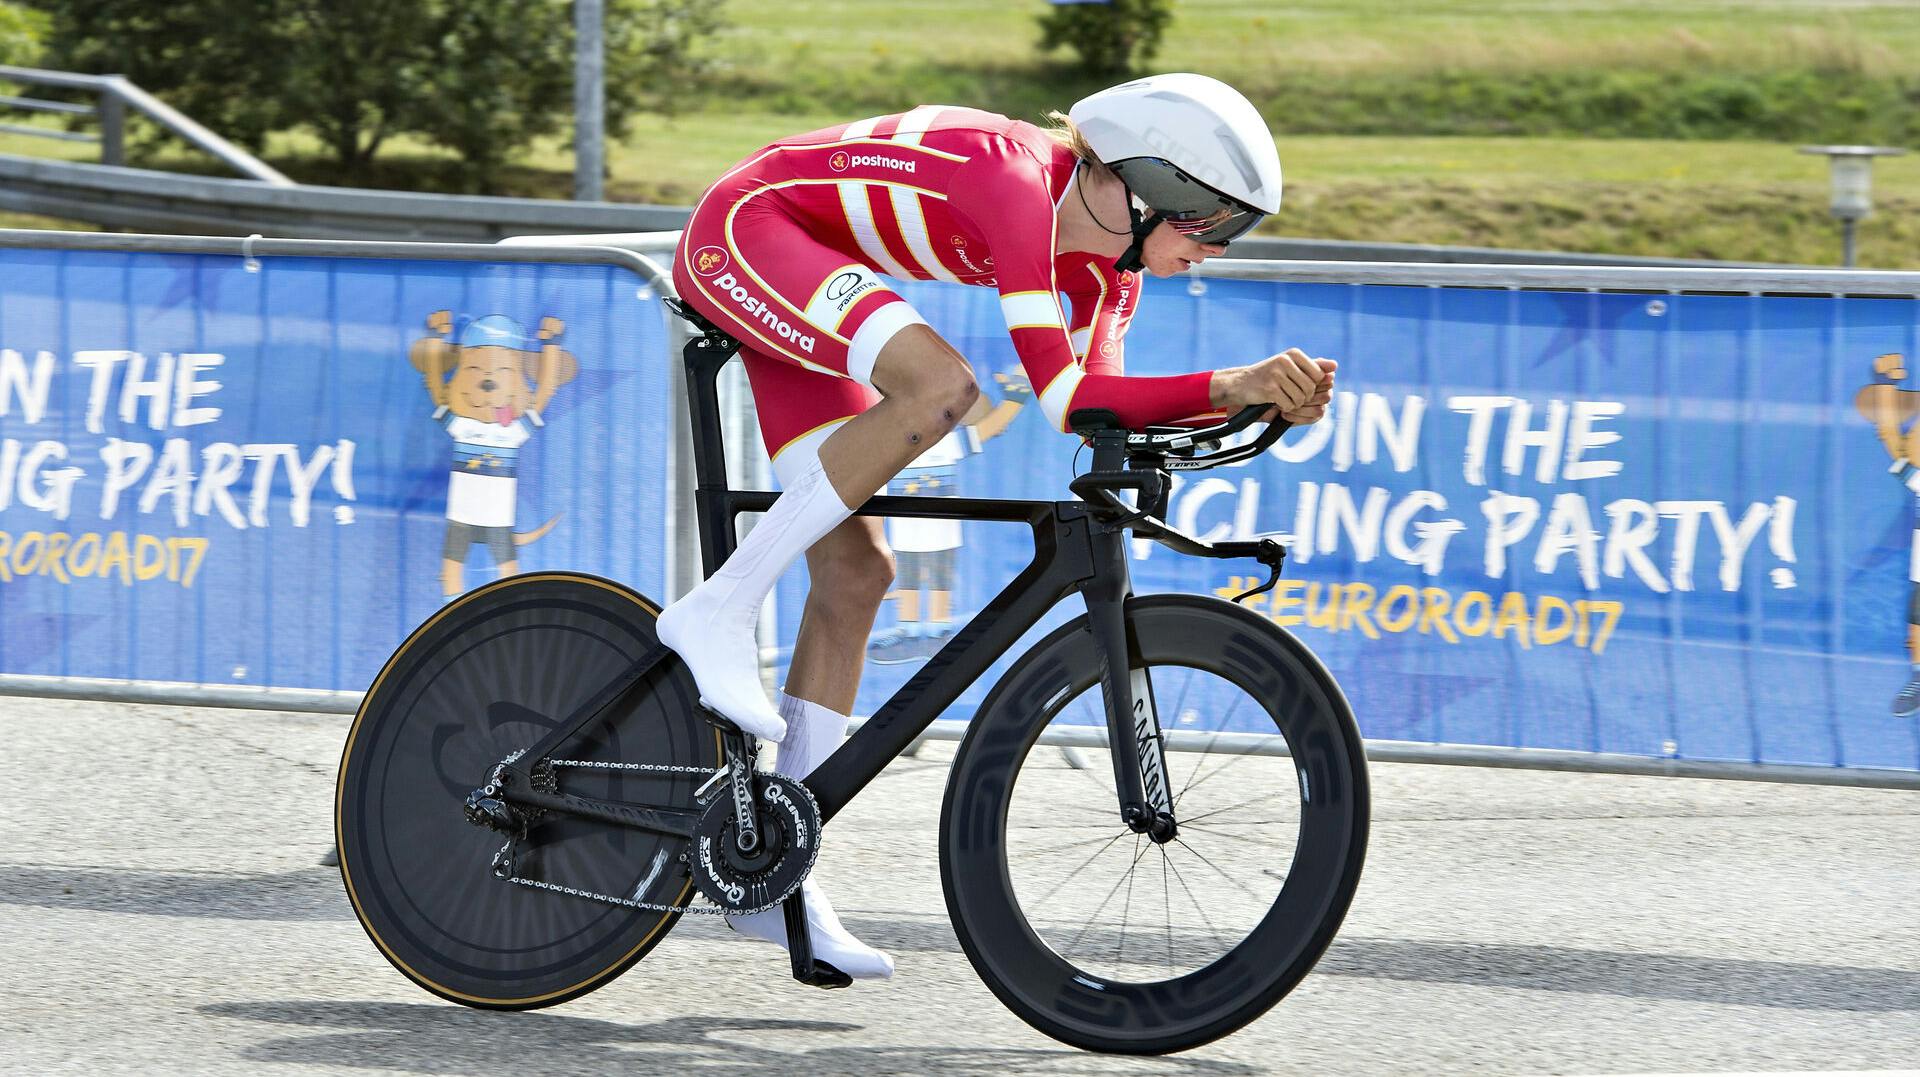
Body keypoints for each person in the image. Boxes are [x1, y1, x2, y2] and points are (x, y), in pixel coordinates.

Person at [657, 73, 1337, 982]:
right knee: (940, 387)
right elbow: (1062, 395)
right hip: (748, 231)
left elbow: (1100, 406)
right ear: (1151, 187)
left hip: (808, 260)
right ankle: (718, 609)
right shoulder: (1017, 184)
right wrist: (1229, 383)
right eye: (1214, 223)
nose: (1215, 250)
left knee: (857, 573)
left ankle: (774, 871)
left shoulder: (1108, 279)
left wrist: (1255, 404)